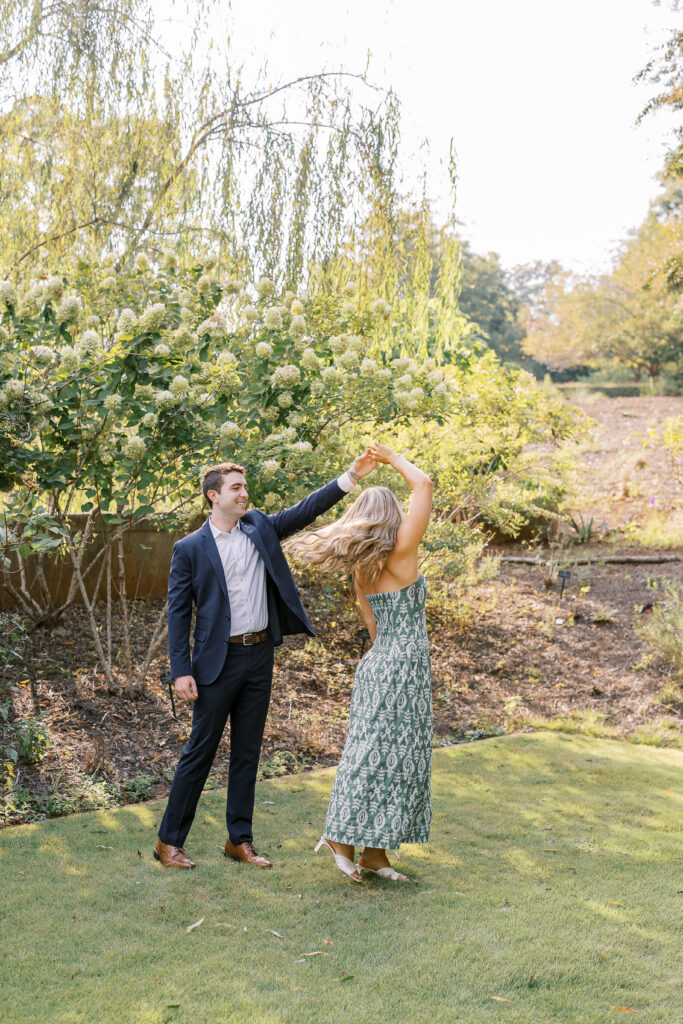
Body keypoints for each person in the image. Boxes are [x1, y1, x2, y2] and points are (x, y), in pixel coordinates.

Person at [154, 451, 377, 870]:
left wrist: (349, 476)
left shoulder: (259, 526)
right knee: (199, 752)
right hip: (216, 663)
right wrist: (180, 670)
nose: (244, 494)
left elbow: (304, 511)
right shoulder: (189, 549)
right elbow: (178, 612)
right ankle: (168, 842)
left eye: (244, 486)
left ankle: (239, 840)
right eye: (236, 487)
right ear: (212, 495)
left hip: (259, 657)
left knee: (248, 752)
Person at [284, 441, 433, 883]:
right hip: (404, 667)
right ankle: (339, 837)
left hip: (378, 665)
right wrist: (392, 459)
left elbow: (373, 628)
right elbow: (423, 483)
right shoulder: (403, 552)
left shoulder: (362, 571)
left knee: (382, 755)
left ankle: (375, 855)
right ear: (394, 518)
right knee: (389, 757)